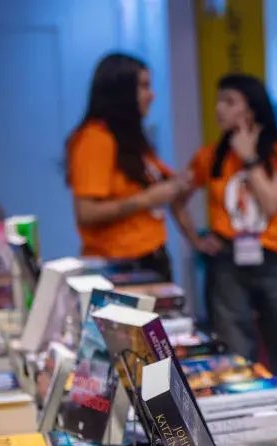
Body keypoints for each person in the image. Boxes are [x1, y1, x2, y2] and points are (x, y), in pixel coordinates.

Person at [172, 73, 277, 436]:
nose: (220, 109)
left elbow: (271, 200)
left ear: (252, 109)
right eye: (219, 100)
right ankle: (249, 438)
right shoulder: (209, 157)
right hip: (226, 264)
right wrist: (196, 238)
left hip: (272, 262)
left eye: (230, 101)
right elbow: (177, 199)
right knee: (235, 358)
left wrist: (249, 160)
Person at [65, 53, 191, 281]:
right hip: (118, 266)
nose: (151, 96)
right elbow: (86, 212)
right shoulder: (95, 138)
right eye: (143, 87)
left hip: (150, 260)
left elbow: (166, 186)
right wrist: (148, 199)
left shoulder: (133, 140)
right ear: (121, 92)